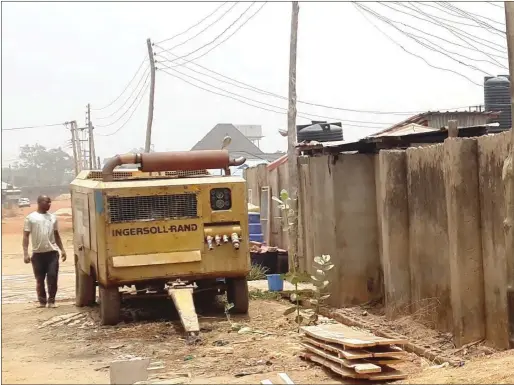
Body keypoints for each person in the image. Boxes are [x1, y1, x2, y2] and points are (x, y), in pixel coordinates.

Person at [22, 195, 67, 308]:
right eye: (47, 202)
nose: (49, 204)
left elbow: (56, 235)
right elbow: (26, 236)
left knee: (52, 277)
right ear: (40, 202)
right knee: (39, 279)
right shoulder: (30, 218)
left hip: (52, 253)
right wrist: (25, 253)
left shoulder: (53, 217)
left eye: (50, 202)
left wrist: (62, 250)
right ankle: (42, 301)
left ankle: (51, 301)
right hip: (37, 254)